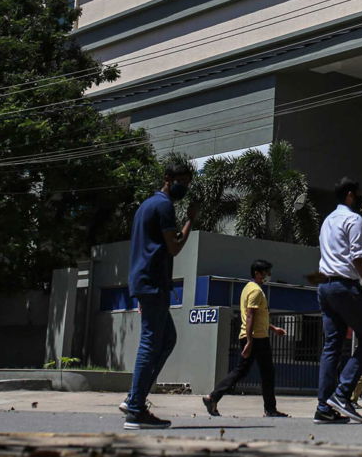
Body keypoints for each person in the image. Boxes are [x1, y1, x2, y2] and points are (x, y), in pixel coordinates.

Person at [120, 162, 197, 430]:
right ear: (167, 178)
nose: (184, 186)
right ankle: (135, 407)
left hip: (147, 281)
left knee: (167, 339)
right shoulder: (163, 206)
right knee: (152, 342)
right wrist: (190, 220)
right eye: (182, 181)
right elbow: (174, 247)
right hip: (153, 281)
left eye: (187, 182)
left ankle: (134, 397)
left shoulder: (146, 205)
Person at [314, 177, 362, 424]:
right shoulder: (354, 219)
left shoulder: (327, 222)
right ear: (351, 195)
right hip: (345, 286)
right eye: (360, 194)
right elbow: (357, 256)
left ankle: (323, 407)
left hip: (324, 286)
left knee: (331, 346)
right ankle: (342, 394)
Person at [202, 259, 289, 418]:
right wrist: (249, 341)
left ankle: (215, 398)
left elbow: (257, 317)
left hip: (257, 336)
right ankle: (213, 397)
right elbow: (249, 316)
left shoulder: (247, 288)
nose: (268, 276)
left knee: (258, 371)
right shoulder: (255, 291)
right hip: (256, 339)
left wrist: (272, 328)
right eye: (265, 272)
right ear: (257, 273)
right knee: (249, 371)